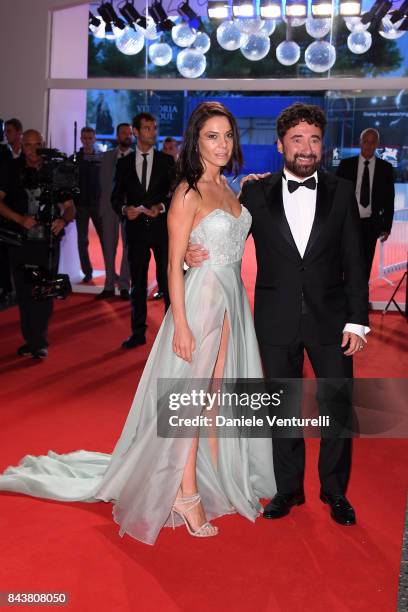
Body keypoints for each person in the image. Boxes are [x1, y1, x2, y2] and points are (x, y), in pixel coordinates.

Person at [0, 102, 275, 545]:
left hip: (232, 306)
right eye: (212, 136)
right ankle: (185, 495)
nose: (222, 144)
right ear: (195, 141)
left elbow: (227, 231)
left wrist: (251, 189)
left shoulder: (228, 187)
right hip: (201, 303)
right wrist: (180, 323)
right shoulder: (186, 192)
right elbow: (171, 265)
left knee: (213, 400)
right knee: (189, 401)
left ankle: (209, 478)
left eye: (227, 136)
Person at [187, 103, 369, 526]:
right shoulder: (254, 192)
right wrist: (189, 256)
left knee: (337, 406)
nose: (307, 148)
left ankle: (334, 490)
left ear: (323, 145)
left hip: (332, 319)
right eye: (297, 139)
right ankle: (288, 488)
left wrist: (358, 320)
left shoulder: (342, 192)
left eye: (315, 139)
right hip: (274, 318)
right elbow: (223, 236)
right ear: (280, 145)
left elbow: (355, 261)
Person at [0, 129, 75, 358]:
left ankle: (38, 341)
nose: (33, 150)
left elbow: (71, 206)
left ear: (43, 145)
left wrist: (63, 220)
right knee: (23, 293)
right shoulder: (10, 169)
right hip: (19, 241)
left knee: (45, 291)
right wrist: (20, 219)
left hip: (48, 242)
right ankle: (32, 339)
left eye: (37, 145)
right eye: (29, 145)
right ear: (21, 145)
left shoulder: (55, 170)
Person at [112, 112, 174, 349]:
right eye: (147, 128)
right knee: (137, 283)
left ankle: (171, 332)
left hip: (161, 230)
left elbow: (175, 194)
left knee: (167, 282)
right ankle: (137, 332)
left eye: (154, 127)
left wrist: (161, 206)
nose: (153, 132)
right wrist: (125, 208)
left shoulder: (166, 161)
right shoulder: (124, 163)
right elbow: (115, 197)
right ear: (136, 132)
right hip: (135, 230)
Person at [336, 128, 395, 280]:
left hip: (372, 224)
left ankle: (360, 297)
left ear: (377, 144)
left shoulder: (386, 169)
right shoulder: (345, 165)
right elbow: (336, 195)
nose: (368, 146)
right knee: (346, 262)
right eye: (365, 142)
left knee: (366, 262)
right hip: (348, 222)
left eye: (372, 142)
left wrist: (386, 227)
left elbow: (389, 200)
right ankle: (344, 298)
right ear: (360, 142)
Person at [96, 123, 132, 300]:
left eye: (129, 133)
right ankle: (108, 285)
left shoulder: (137, 158)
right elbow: (100, 184)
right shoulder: (106, 157)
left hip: (129, 209)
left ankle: (124, 286)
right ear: (117, 136)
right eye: (123, 133)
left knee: (128, 248)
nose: (127, 136)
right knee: (108, 248)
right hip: (109, 208)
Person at [73, 126, 103, 283]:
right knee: (82, 240)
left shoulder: (101, 158)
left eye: (90, 138)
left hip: (98, 204)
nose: (87, 141)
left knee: (105, 240)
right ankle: (87, 271)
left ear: (94, 139)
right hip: (81, 205)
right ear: (81, 139)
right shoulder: (75, 158)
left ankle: (111, 271)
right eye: (84, 138)